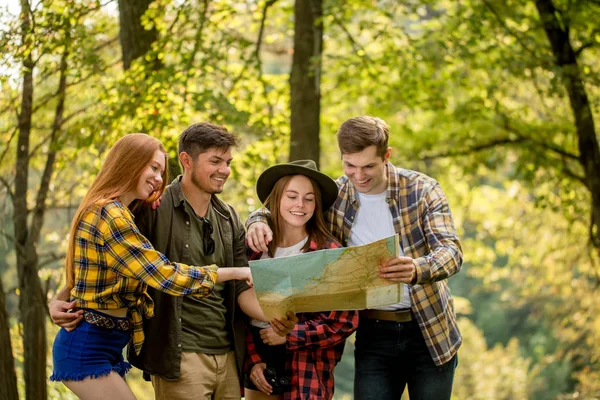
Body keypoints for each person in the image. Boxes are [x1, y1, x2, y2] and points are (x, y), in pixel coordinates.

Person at [51, 123, 296, 400]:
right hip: (169, 355)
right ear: (186, 161)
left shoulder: (227, 219)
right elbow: (158, 273)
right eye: (215, 161)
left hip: (220, 354)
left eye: (228, 162)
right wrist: (60, 297)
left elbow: (95, 263)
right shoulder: (140, 210)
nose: (225, 170)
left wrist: (279, 315)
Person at [247, 116, 463, 400]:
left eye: (369, 166)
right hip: (374, 330)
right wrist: (257, 219)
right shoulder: (336, 196)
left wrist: (417, 268)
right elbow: (289, 206)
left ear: (386, 156)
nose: (359, 176)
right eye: (350, 166)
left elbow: (451, 251)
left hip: (429, 329)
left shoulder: (422, 190)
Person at [243, 160, 358, 400]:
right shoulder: (255, 248)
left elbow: (344, 321)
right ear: (276, 199)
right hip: (259, 360)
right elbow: (239, 314)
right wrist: (253, 361)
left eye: (309, 199)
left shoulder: (329, 254)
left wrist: (291, 334)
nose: (300, 205)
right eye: (292, 196)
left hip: (307, 365)